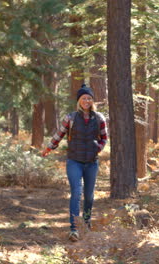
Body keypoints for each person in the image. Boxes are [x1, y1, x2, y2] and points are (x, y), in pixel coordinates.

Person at [41, 84, 108, 242]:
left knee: (89, 196)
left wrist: (97, 149)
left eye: (89, 98)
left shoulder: (99, 118)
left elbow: (104, 138)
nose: (86, 100)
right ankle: (74, 228)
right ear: (79, 101)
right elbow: (59, 135)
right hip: (74, 161)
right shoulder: (70, 118)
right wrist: (49, 148)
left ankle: (86, 223)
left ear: (92, 101)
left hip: (92, 162)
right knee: (76, 193)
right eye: (84, 98)